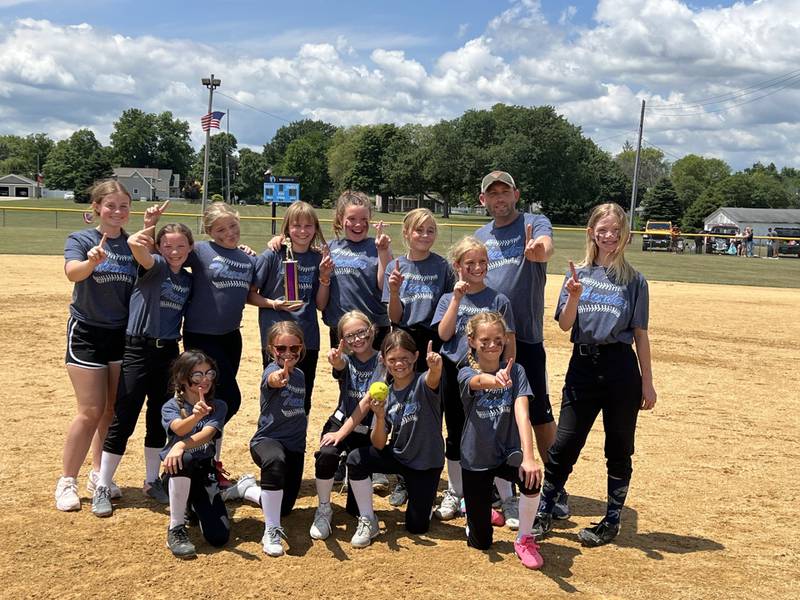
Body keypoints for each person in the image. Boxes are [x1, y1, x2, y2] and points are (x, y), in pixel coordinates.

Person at [533, 202, 657, 548]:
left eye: (616, 231)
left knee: (618, 447)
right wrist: (573, 296)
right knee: (565, 442)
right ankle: (544, 510)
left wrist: (647, 381)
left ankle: (612, 520)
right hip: (583, 367)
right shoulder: (579, 275)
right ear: (592, 233)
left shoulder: (634, 281)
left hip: (620, 368)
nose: (609, 237)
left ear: (625, 236)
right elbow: (565, 324)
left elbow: (641, 334)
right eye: (603, 230)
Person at [474, 170, 569, 520]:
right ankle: (503, 488)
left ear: (516, 193)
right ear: (482, 200)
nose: (499, 199)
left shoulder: (534, 221)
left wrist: (538, 250)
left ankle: (556, 488)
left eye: (505, 192)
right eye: (492, 194)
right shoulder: (481, 235)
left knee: (539, 412)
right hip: (489, 343)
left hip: (526, 336)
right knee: (494, 414)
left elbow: (546, 247)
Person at [92, 222, 194, 517]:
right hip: (139, 348)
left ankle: (152, 481)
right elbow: (138, 249)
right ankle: (102, 484)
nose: (174, 252)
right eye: (168, 246)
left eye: (181, 246)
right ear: (159, 248)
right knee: (125, 416)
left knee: (158, 417)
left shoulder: (187, 279)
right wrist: (145, 230)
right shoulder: (157, 266)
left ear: (190, 248)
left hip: (169, 353)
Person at [56, 180, 138, 512]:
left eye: (123, 206)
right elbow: (72, 273)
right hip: (87, 332)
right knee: (89, 411)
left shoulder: (133, 245)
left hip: (121, 334)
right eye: (111, 206)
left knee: (111, 411)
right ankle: (66, 481)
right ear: (97, 208)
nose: (118, 212)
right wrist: (91, 262)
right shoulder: (82, 239)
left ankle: (98, 474)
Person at [430, 236, 516, 522]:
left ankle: (507, 496)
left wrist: (508, 371)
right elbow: (443, 335)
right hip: (455, 373)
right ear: (458, 266)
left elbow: (510, 341)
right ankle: (456, 492)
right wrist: (456, 298)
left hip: (491, 373)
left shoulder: (498, 299)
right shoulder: (448, 298)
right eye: (470, 263)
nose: (477, 267)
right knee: (455, 433)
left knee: (493, 432)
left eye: (482, 262)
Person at [458, 312, 543, 569]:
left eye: (498, 339)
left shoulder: (516, 371)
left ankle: (524, 538)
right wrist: (493, 382)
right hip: (476, 458)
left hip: (506, 452)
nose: (492, 344)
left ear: (505, 339)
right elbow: (476, 381)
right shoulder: (464, 371)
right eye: (484, 340)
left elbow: (522, 412)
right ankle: (476, 512)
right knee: (481, 542)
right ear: (472, 341)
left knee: (532, 478)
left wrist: (529, 457)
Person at [180, 202, 257, 486]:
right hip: (201, 336)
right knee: (228, 400)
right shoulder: (200, 251)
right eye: (220, 229)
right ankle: (191, 449)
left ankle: (209, 461)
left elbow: (251, 294)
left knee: (214, 401)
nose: (229, 233)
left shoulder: (247, 258)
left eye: (232, 226)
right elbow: (169, 254)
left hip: (230, 336)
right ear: (209, 231)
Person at [345, 331, 444, 548]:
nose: (399, 364)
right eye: (392, 360)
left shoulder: (423, 383)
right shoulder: (385, 393)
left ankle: (420, 500)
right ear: (383, 360)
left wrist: (435, 367)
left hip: (426, 463)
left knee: (417, 527)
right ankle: (368, 518)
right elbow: (379, 444)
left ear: (416, 356)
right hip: (400, 455)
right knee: (356, 459)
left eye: (405, 359)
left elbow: (433, 378)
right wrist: (380, 417)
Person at [250, 201, 332, 415]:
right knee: (275, 395)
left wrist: (324, 279)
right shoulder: (272, 255)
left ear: (315, 228)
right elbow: (250, 295)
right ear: (287, 228)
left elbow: (321, 304)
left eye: (308, 226)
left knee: (302, 399)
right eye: (296, 226)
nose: (302, 231)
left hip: (307, 340)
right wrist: (273, 304)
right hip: (276, 340)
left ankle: (296, 445)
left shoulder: (318, 258)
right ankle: (271, 444)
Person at [309, 311, 385, 540]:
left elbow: (365, 405)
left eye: (361, 332)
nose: (357, 339)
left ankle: (362, 510)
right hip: (341, 420)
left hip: (365, 428)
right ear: (342, 339)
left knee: (354, 508)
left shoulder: (383, 360)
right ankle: (323, 508)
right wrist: (337, 360)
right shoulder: (346, 359)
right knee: (327, 453)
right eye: (349, 336)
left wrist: (342, 434)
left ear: (372, 330)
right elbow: (341, 365)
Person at [160, 350, 230, 558]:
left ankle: (192, 507)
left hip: (204, 473)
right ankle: (176, 528)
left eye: (209, 374)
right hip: (177, 472)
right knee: (186, 458)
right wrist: (194, 417)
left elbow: (208, 434)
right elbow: (180, 429)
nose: (204, 380)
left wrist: (180, 445)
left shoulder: (218, 406)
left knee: (219, 537)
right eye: (197, 375)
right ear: (183, 378)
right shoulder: (170, 406)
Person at [250, 321, 308, 557]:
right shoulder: (270, 371)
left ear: (301, 348)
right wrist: (278, 378)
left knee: (284, 507)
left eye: (293, 348)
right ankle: (271, 530)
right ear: (271, 349)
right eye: (281, 348)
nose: (287, 354)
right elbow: (272, 379)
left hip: (294, 447)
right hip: (267, 441)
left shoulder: (301, 375)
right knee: (275, 461)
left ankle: (248, 490)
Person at [383, 208, 454, 371]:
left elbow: (449, 310)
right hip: (404, 337)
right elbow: (395, 317)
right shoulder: (394, 267)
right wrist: (394, 292)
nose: (425, 235)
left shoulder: (443, 267)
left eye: (430, 231)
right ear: (406, 233)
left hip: (433, 337)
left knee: (430, 389)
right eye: (419, 230)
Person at [322, 190, 393, 350]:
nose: (358, 224)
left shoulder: (378, 246)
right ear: (341, 219)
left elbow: (384, 287)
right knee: (344, 372)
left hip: (373, 326)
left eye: (363, 219)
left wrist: (383, 252)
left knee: (378, 374)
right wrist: (278, 240)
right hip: (342, 327)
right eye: (351, 219)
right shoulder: (330, 247)